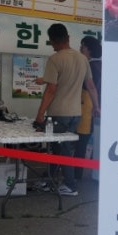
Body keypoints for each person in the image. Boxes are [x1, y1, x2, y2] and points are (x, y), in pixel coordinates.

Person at [34, 24, 100, 196]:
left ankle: (70, 186)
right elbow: (91, 86)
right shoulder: (82, 59)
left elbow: (51, 90)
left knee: (62, 149)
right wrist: (97, 107)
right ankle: (49, 180)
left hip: (58, 113)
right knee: (58, 148)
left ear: (52, 40)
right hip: (76, 114)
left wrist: (40, 114)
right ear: (68, 38)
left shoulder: (55, 59)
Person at [73, 36, 102, 180]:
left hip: (87, 107)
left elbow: (90, 87)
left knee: (81, 142)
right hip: (96, 108)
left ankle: (75, 174)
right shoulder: (102, 65)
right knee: (86, 142)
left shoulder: (89, 66)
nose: (80, 49)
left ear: (89, 50)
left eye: (83, 47)